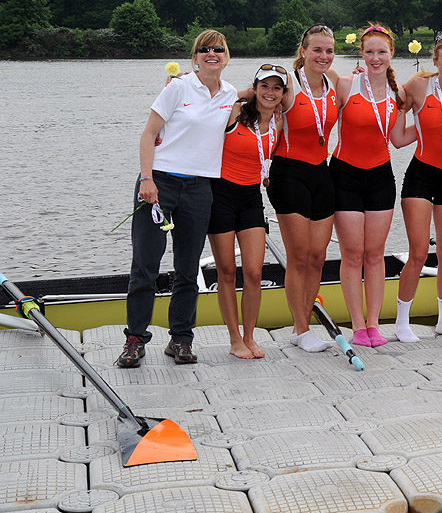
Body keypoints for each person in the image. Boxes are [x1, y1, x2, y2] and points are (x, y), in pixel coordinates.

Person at [117, 30, 238, 368]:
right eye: (204, 50)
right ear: (195, 57)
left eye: (218, 49)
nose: (212, 53)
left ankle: (181, 340)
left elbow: (261, 96)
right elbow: (149, 133)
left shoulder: (229, 94)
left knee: (187, 270)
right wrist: (147, 179)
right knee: (145, 267)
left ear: (227, 56)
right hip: (160, 185)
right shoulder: (178, 87)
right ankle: (135, 340)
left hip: (200, 189)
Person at [330, 25, 410, 347]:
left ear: (391, 54)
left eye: (382, 52)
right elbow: (316, 113)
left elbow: (399, 139)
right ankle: (357, 326)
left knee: (375, 254)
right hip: (345, 175)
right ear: (361, 54)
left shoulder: (399, 93)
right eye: (369, 52)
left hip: (380, 176)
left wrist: (441, 127)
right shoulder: (346, 85)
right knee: (352, 253)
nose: (375, 58)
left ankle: (375, 324)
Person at [393, 32, 442, 340]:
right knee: (418, 251)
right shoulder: (418, 86)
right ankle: (402, 323)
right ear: (435, 61)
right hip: (421, 176)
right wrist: (409, 121)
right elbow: (398, 138)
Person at [267, 24, 339, 352]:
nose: (323, 56)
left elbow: (382, 85)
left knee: (318, 256)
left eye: (328, 50)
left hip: (321, 174)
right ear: (303, 52)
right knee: (297, 257)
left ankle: (302, 327)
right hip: (289, 175)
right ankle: (301, 328)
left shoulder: (335, 82)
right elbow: (248, 99)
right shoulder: (288, 84)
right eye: (317, 50)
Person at [208, 65, 286, 359]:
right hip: (221, 197)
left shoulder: (278, 123)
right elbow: (217, 97)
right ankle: (234, 338)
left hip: (252, 197)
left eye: (276, 88)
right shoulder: (235, 113)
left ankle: (250, 336)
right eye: (264, 86)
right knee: (227, 272)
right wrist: (248, 94)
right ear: (255, 88)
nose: (270, 92)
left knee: (253, 273)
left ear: (283, 94)